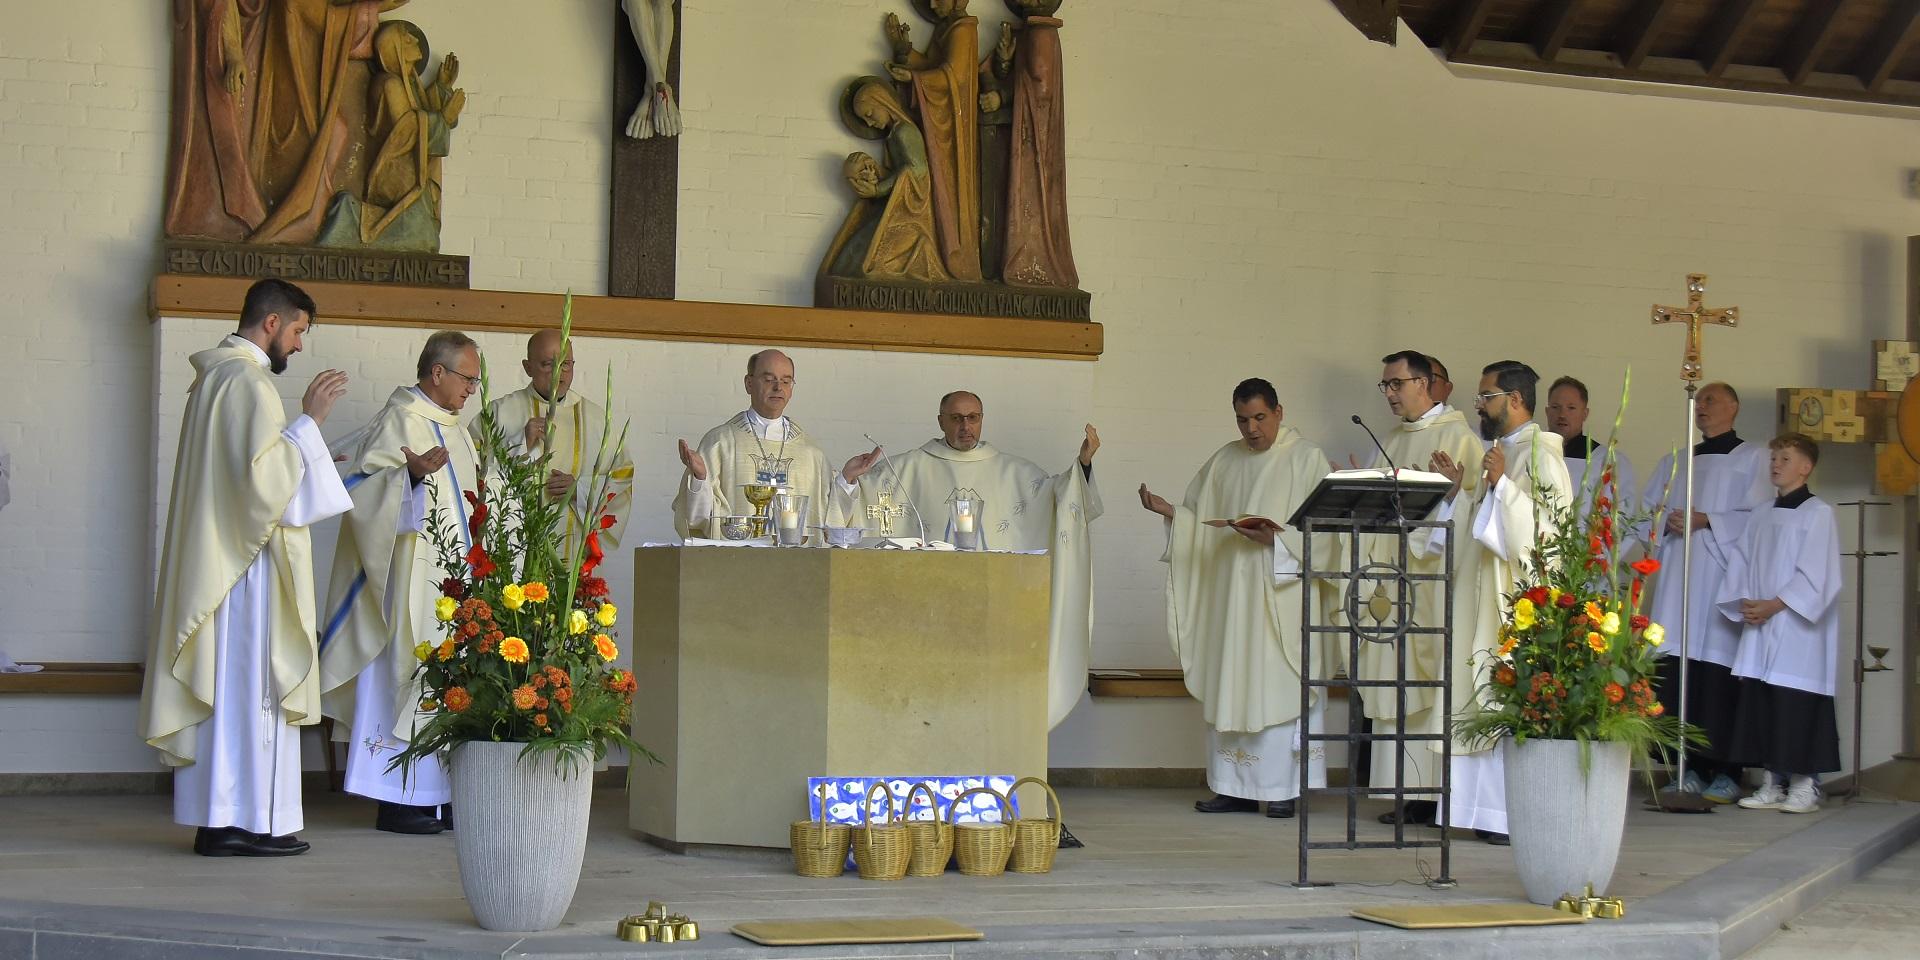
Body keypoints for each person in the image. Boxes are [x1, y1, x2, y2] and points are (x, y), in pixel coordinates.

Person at [139, 279, 350, 857]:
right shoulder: (246, 382)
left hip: (227, 564)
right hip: (245, 575)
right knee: (251, 691)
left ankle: (224, 819)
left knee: (234, 691)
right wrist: (308, 423)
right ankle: (242, 822)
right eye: (300, 331)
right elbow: (260, 488)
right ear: (274, 323)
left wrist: (305, 455)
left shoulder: (217, 378)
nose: (301, 346)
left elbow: (246, 474)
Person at [1139, 378, 1331, 820]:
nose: (1252, 429)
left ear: (1279, 412)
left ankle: (1284, 788)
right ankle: (1234, 787)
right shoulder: (1224, 460)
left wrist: (1278, 541)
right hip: (1232, 599)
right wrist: (1174, 515)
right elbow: (1199, 516)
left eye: (1260, 418)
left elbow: (1327, 534)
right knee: (1234, 680)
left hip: (1281, 598)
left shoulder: (1307, 459)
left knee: (1279, 681)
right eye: (1243, 420)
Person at [319, 331, 484, 835]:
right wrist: (406, 479)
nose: (472, 389)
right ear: (437, 372)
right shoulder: (400, 420)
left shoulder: (457, 429)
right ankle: (397, 795)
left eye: (476, 380)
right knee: (405, 674)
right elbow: (360, 494)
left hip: (453, 583)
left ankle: (439, 796)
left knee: (451, 680)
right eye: (467, 378)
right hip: (408, 584)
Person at [866, 390, 1102, 727]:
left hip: (992, 612)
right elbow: (861, 498)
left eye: (973, 417)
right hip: (927, 610)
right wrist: (848, 482)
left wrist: (1083, 465)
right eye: (956, 418)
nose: (966, 426)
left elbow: (1062, 499)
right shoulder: (906, 469)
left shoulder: (1014, 473)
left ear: (982, 420)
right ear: (940, 421)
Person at [1430, 360, 1572, 844]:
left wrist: (1501, 487)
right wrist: (1461, 489)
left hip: (1513, 605)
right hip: (1479, 598)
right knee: (1475, 696)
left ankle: (1503, 816)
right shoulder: (1500, 451)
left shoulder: (1540, 455)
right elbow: (1477, 525)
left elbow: (1550, 536)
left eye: (1486, 396)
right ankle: (1475, 810)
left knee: (1500, 696)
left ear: (1514, 399)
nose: (1479, 406)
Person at [1359, 351, 1486, 827]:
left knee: (1429, 686)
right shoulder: (1390, 438)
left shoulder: (1459, 438)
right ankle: (1408, 791)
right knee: (1395, 684)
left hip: (1433, 586)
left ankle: (1435, 793)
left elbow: (1477, 514)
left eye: (1396, 383)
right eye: (1385, 385)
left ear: (1426, 383)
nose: (1390, 393)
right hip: (1391, 584)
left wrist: (1453, 496)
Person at [1640, 382, 1774, 804]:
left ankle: (1728, 770)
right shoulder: (1677, 462)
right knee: (1680, 673)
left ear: (1733, 407)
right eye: (1699, 403)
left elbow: (1762, 519)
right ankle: (1689, 767)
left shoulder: (1753, 459)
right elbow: (1646, 514)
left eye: (1711, 400)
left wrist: (1709, 520)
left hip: (1720, 582)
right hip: (1679, 581)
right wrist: (1666, 522)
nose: (1702, 408)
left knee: (1718, 675)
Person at [1722, 433, 1842, 814]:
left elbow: (1818, 575)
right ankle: (1772, 782)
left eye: (1785, 459)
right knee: (1765, 702)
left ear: (1806, 468)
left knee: (1796, 703)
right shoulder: (1760, 514)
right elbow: (1740, 562)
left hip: (1795, 629)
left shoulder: (1817, 513)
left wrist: (1775, 605)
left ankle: (1805, 785)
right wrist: (1746, 602)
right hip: (1761, 620)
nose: (1775, 464)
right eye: (1774, 457)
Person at [672, 349, 878, 539]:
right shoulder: (721, 443)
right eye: (769, 379)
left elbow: (828, 515)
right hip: (738, 565)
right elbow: (699, 519)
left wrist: (847, 478)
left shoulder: (810, 452)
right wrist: (700, 478)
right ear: (749, 384)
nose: (778, 387)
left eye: (786, 381)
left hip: (796, 567)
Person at [477, 330, 634, 554]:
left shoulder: (598, 420)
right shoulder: (498, 413)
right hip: (513, 554)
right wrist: (521, 444)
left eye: (566, 364)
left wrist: (579, 489)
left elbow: (622, 478)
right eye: (547, 364)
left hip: (576, 548)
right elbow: (473, 475)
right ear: (527, 367)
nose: (558, 374)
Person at [1545, 376, 1639, 528]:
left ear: (1585, 413)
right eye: (1556, 407)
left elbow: (1622, 518)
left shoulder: (1607, 461)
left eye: (1571, 408)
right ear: (1547, 412)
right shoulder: (1530, 455)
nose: (1562, 415)